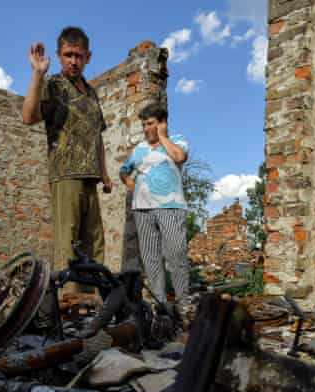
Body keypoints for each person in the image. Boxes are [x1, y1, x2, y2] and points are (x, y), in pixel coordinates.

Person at [21, 26, 112, 294]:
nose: (74, 61)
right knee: (68, 244)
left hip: (91, 180)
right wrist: (38, 74)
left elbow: (98, 138)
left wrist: (105, 174)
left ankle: (93, 304)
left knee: (94, 244)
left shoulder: (92, 94)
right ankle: (69, 305)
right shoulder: (54, 86)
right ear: (60, 56)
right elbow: (28, 117)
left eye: (79, 56)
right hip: (65, 176)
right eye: (68, 55)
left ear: (88, 57)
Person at [118, 103, 190, 310]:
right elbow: (124, 171)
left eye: (150, 123)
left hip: (171, 207)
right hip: (142, 209)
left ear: (162, 123)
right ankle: (160, 304)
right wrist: (129, 181)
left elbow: (179, 157)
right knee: (151, 258)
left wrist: (163, 136)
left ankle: (183, 302)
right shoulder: (139, 149)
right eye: (144, 125)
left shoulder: (177, 141)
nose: (146, 128)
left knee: (176, 254)